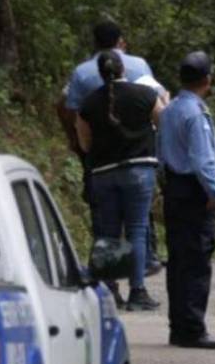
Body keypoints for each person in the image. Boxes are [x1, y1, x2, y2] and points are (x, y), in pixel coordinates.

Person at [58, 20, 167, 275]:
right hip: (139, 155)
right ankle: (142, 273)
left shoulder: (82, 73)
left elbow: (70, 110)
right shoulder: (139, 65)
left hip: (100, 157)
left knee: (104, 222)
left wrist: (78, 145)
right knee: (138, 223)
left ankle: (108, 281)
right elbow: (160, 107)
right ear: (121, 42)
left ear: (94, 43)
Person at [77, 51, 164, 311]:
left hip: (103, 173)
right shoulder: (147, 96)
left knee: (108, 232)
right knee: (137, 229)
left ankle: (110, 290)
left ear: (101, 74)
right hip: (139, 170)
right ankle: (138, 291)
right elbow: (162, 123)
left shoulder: (89, 104)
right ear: (123, 69)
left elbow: (84, 143)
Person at [158, 51, 215, 349]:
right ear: (207, 80)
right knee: (197, 261)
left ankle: (179, 326)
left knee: (178, 261)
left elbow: (160, 152)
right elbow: (202, 160)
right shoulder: (196, 114)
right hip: (193, 190)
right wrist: (214, 192)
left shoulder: (170, 109)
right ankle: (193, 328)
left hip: (173, 188)